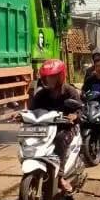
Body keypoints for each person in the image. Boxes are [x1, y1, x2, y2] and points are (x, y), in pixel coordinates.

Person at [30, 59, 81, 192]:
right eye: (48, 77)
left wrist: (74, 115)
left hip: (65, 128)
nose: (50, 80)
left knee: (59, 139)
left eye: (53, 76)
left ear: (60, 76)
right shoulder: (41, 94)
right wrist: (21, 115)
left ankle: (60, 176)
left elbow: (81, 110)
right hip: (46, 128)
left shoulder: (70, 91)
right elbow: (32, 110)